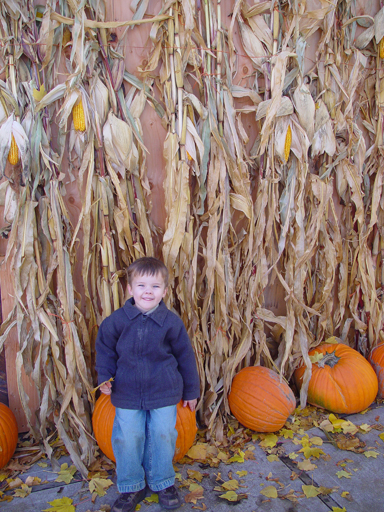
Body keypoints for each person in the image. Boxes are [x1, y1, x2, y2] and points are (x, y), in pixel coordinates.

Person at [95, 257, 200, 512]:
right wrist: (104, 378)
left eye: (155, 287)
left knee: (164, 435)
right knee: (128, 437)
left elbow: (186, 357)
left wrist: (191, 390)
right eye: (141, 285)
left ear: (164, 291)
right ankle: (131, 486)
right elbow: (105, 351)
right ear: (130, 289)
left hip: (164, 391)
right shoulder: (116, 322)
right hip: (127, 393)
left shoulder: (171, 322)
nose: (148, 292)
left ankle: (163, 482)